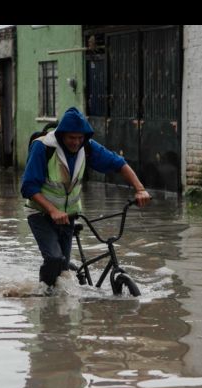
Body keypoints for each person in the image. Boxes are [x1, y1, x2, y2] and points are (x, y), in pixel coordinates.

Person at [21, 107, 151, 293]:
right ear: (61, 135)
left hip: (69, 216)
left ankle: (57, 304)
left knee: (63, 269)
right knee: (54, 259)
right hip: (40, 214)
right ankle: (42, 296)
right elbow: (28, 187)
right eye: (71, 138)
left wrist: (140, 189)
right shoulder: (43, 148)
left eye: (80, 138)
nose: (76, 142)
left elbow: (118, 163)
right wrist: (53, 211)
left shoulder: (87, 147)